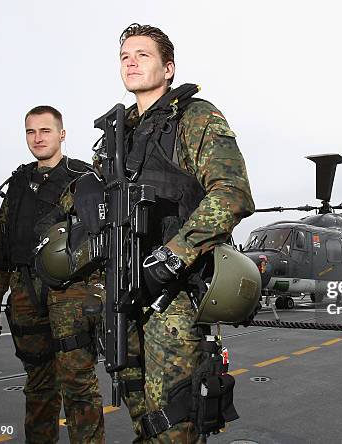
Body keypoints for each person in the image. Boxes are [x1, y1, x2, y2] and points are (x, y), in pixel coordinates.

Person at [113, 23, 255, 442]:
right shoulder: (116, 138)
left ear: (168, 67)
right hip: (123, 297)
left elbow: (232, 193)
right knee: (141, 416)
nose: (131, 61)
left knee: (174, 423)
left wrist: (170, 257)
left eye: (142, 54)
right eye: (124, 56)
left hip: (171, 298)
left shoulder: (195, 117)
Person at [0, 106, 105, 443]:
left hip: (71, 295)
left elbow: (104, 240)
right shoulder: (19, 183)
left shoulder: (85, 179)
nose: (37, 138)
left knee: (79, 387)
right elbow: (1, 244)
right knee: (38, 388)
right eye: (30, 132)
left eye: (45, 131)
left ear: (61, 134)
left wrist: (99, 292)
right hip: (24, 295)